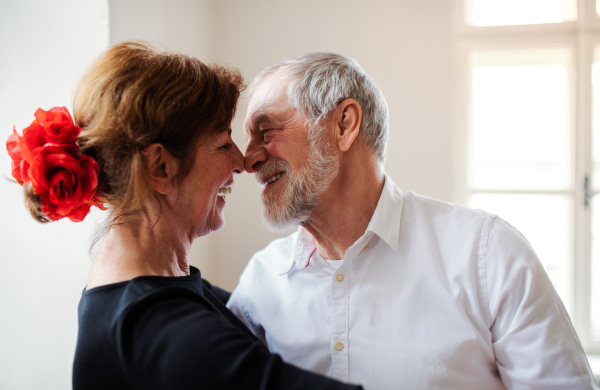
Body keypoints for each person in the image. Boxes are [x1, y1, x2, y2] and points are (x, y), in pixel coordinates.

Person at [227, 52, 600, 389]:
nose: (248, 161)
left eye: (267, 131)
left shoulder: (487, 255)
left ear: (344, 125)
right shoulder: (258, 286)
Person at [5, 42, 364, 390]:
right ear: (161, 167)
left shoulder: (167, 287)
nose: (241, 162)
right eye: (224, 142)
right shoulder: (162, 331)